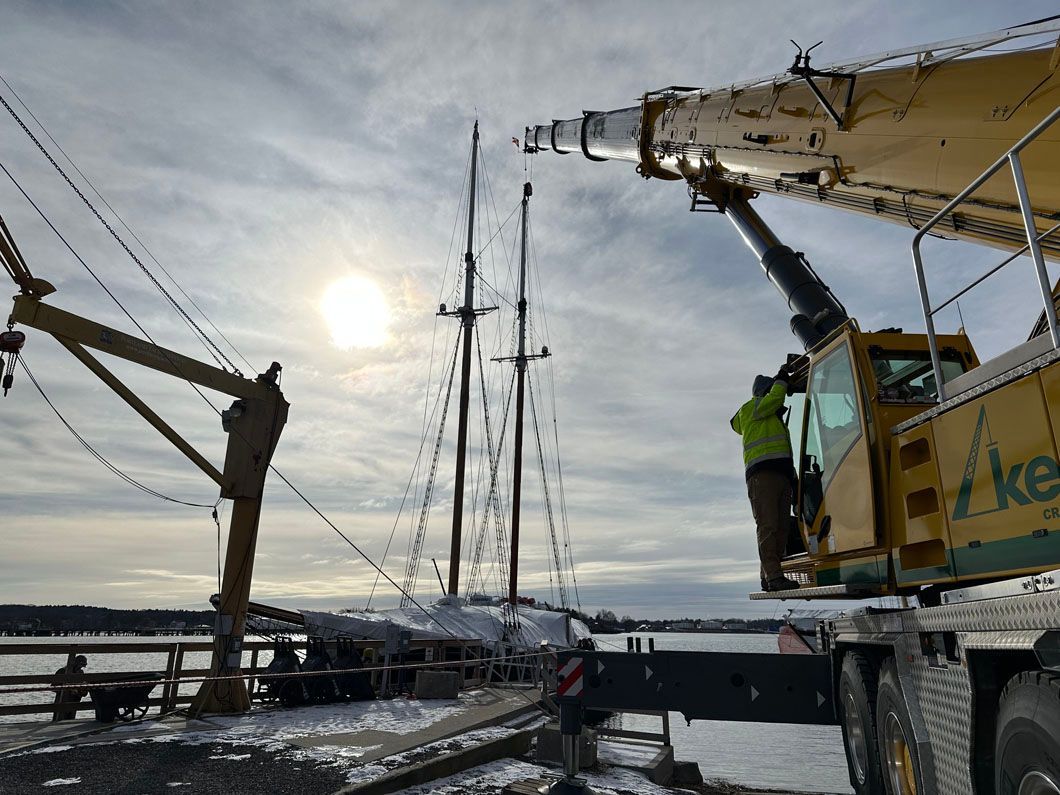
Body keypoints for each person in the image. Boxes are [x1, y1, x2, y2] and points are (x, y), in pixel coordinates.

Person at [730, 365, 801, 592]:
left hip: (781, 474)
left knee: (781, 528)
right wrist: (781, 379)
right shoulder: (751, 408)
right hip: (763, 475)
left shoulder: (774, 419)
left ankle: (770, 576)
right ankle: (773, 576)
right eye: (772, 390)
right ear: (764, 392)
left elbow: (786, 452)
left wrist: (794, 479)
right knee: (768, 525)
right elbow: (775, 398)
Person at [51, 654, 89, 721]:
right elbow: (53, 687)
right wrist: (68, 689)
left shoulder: (80, 673)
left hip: (74, 701)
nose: (80, 668)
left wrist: (80, 691)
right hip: (62, 700)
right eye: (80, 666)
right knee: (57, 719)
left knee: (70, 720)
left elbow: (84, 691)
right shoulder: (62, 671)